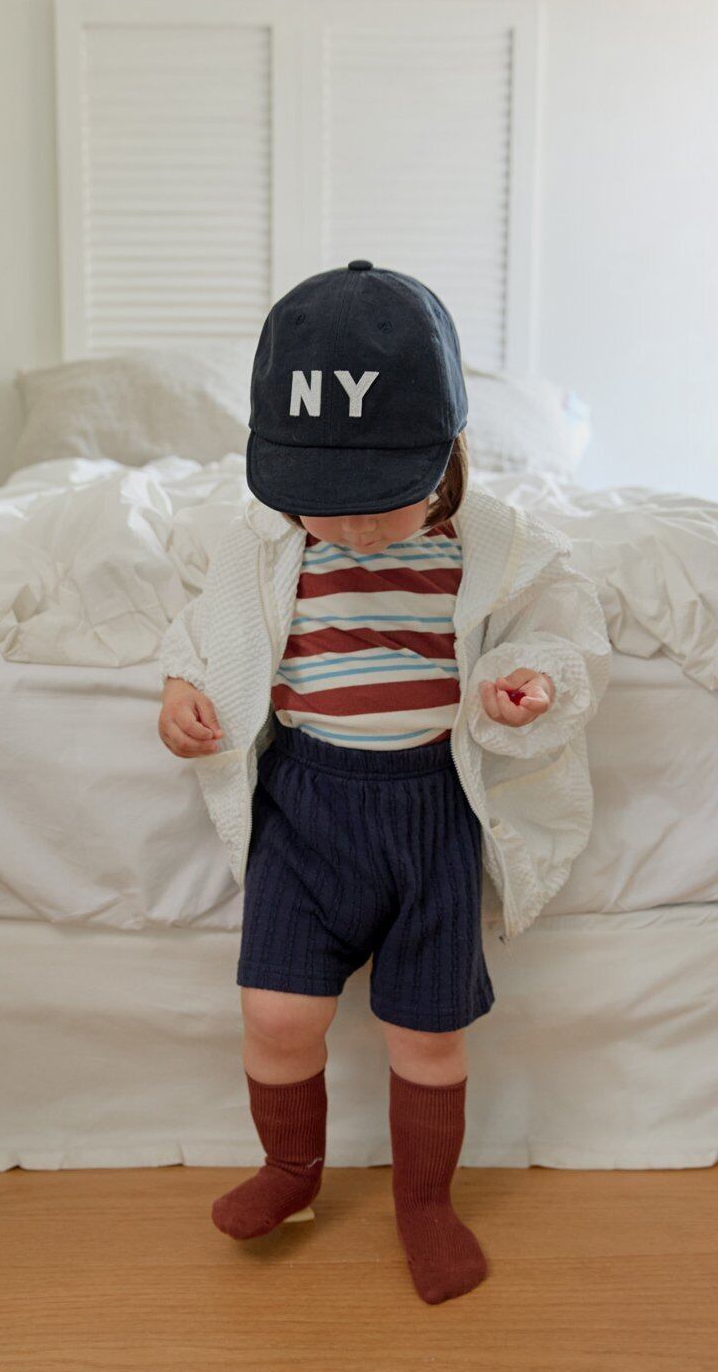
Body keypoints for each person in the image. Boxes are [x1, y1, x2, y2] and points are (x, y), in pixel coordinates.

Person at [158, 260, 611, 1305]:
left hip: (429, 810)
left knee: (429, 1035)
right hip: (306, 809)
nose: (355, 531)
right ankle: (290, 1170)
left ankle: (424, 1202)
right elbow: (208, 628)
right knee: (276, 1014)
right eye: (328, 504)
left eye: (379, 503)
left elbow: (557, 630)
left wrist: (526, 683)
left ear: (447, 456)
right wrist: (182, 690)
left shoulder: (491, 547)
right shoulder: (269, 544)